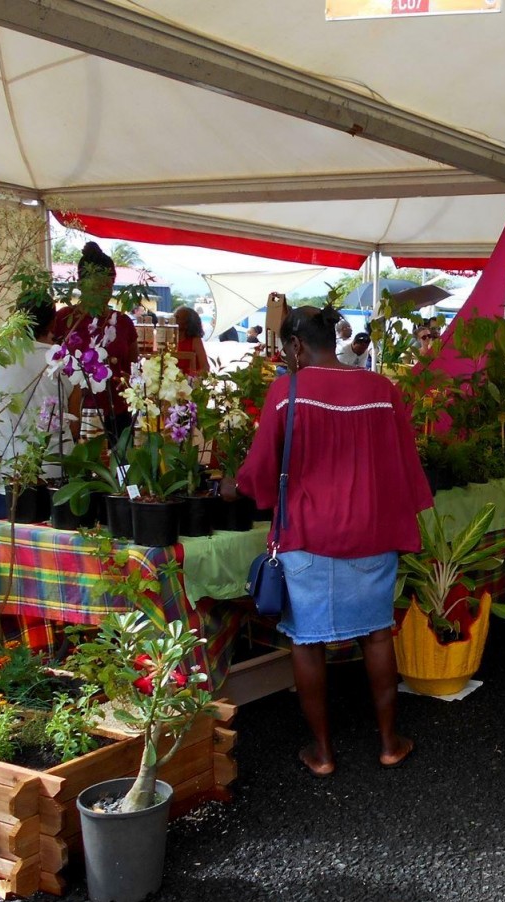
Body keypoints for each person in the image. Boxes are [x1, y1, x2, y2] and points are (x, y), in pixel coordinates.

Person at [230, 305, 432, 776]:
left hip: (306, 533)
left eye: (286, 349)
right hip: (371, 532)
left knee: (307, 644)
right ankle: (389, 743)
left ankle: (322, 753)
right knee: (377, 635)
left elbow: (261, 468)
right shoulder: (381, 390)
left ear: (297, 345)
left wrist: (235, 486)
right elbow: (405, 464)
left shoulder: (287, 391)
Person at [0, 291, 83, 665]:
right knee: (49, 563)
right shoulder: (63, 359)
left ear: (16, 317)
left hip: (7, 474)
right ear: (51, 323)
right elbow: (74, 422)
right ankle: (50, 641)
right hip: (55, 473)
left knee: (0, 561)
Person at [51, 242, 138, 447]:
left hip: (117, 413)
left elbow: (133, 367)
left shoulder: (123, 322)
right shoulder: (64, 319)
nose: (104, 291)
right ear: (81, 284)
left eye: (109, 284)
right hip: (75, 414)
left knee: (122, 464)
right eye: (98, 285)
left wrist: (129, 380)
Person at [172, 306, 210, 377]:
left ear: (187, 324)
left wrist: (191, 378)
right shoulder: (169, 340)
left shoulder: (195, 341)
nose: (172, 319)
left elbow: (205, 367)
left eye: (177, 318)